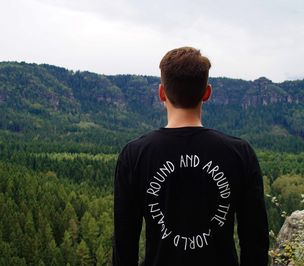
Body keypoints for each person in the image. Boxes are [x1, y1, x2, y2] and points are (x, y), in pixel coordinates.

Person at [113, 47, 269, 266]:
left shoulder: (135, 155)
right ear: (207, 92)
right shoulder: (240, 154)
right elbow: (255, 243)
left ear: (161, 93)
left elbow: (124, 244)